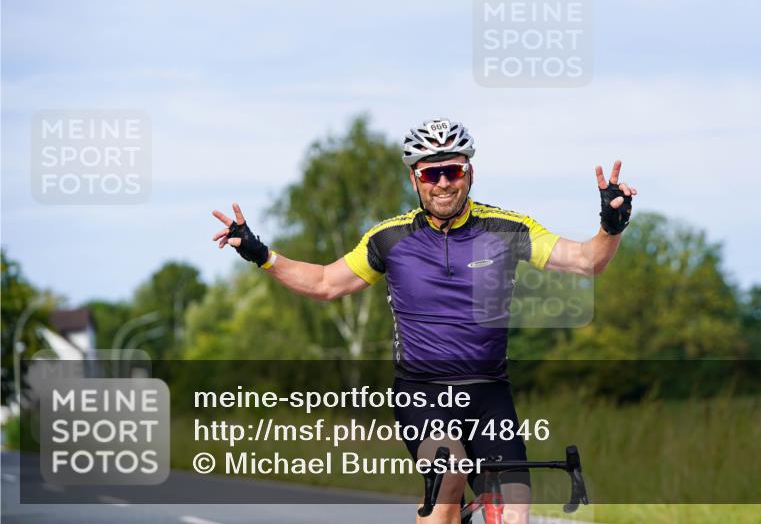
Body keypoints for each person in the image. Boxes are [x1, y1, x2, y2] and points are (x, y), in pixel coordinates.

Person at [211, 117, 636, 524]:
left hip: (490, 393)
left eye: (453, 170)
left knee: (514, 512)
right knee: (449, 476)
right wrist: (260, 254)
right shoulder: (390, 239)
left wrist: (611, 225)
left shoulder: (507, 229)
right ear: (414, 179)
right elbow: (324, 282)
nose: (444, 183)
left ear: (469, 172)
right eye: (431, 174)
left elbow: (586, 261)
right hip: (422, 393)